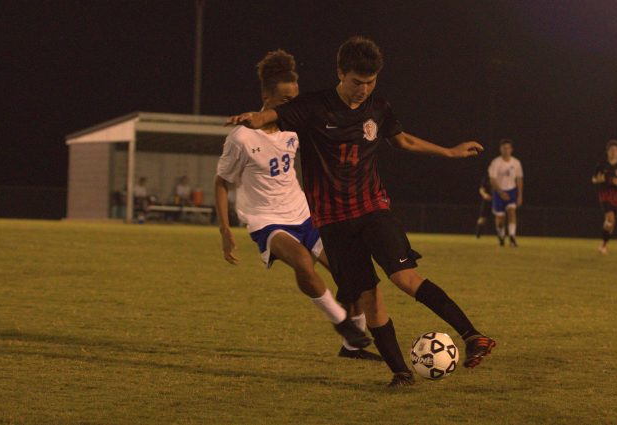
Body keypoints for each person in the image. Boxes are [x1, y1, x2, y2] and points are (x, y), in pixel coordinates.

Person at [228, 37, 495, 387]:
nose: (363, 90)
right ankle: (401, 373)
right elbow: (273, 115)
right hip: (333, 224)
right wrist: (254, 118)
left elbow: (404, 141)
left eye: (370, 82)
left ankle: (472, 336)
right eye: (357, 82)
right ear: (340, 73)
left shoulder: (378, 107)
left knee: (404, 278)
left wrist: (449, 152)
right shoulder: (313, 106)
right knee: (369, 297)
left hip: (372, 209)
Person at [215, 49, 381, 361]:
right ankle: (342, 323)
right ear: (266, 95)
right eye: (285, 100)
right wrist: (225, 230)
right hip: (266, 220)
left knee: (350, 273)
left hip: (304, 213)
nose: (293, 105)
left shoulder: (295, 128)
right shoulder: (240, 138)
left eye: (295, 98)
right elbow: (222, 182)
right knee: (303, 262)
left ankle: (353, 347)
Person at [591, 139, 617, 254]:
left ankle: (603, 244)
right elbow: (593, 179)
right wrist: (598, 179)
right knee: (610, 218)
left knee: (610, 224)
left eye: (616, 150)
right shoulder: (601, 165)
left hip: (616, 196)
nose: (613, 152)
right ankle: (603, 244)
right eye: (611, 150)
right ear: (607, 152)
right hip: (604, 194)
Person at [488, 139, 523, 247]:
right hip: (499, 192)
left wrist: (520, 195)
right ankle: (501, 236)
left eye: (508, 148)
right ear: (501, 149)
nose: (506, 150)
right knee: (500, 220)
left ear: (511, 149)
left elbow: (519, 179)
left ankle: (512, 237)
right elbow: (492, 180)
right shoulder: (496, 162)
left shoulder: (516, 163)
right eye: (504, 148)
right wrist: (500, 192)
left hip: (512, 191)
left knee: (512, 212)